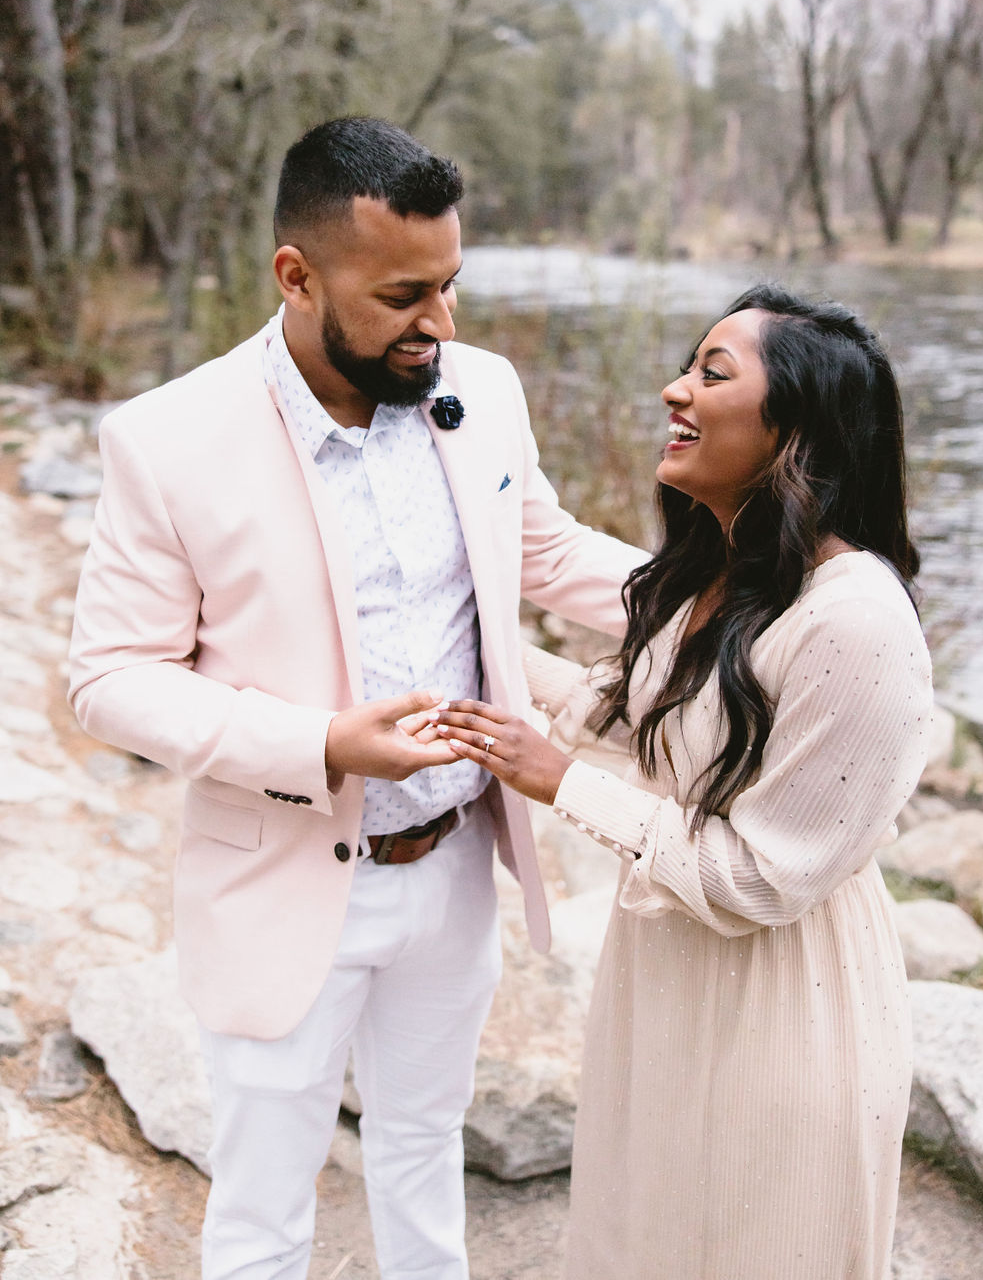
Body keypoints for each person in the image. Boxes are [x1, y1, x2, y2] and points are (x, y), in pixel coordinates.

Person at [68, 116, 646, 1280]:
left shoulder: (479, 387)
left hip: (454, 867)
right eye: (402, 295)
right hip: (279, 881)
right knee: (265, 1215)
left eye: (450, 285)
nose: (440, 323)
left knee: (425, 1151)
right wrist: (321, 743)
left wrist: (736, 605)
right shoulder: (167, 440)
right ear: (297, 276)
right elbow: (109, 678)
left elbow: (546, 551)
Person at [434, 285, 933, 1280]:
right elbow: (633, 711)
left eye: (711, 373)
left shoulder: (856, 621)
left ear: (796, 426)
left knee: (756, 1235)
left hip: (786, 998)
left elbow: (759, 877)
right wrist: (459, 652)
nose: (674, 390)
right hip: (667, 969)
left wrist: (562, 782)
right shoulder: (720, 576)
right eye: (685, 364)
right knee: (642, 1230)